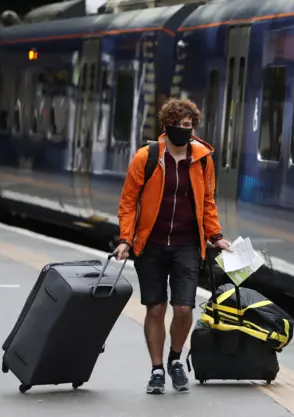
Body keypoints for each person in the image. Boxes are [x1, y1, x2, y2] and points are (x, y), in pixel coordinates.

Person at [113, 98, 232, 394]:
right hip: (150, 245)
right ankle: (156, 370)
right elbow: (128, 201)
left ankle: (175, 360)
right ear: (166, 127)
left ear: (193, 127)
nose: (183, 130)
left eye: (187, 126)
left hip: (187, 244)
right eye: (177, 125)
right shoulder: (147, 157)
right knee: (155, 308)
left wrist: (215, 235)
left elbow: (207, 201)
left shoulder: (202, 159)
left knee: (182, 308)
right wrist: (126, 239)